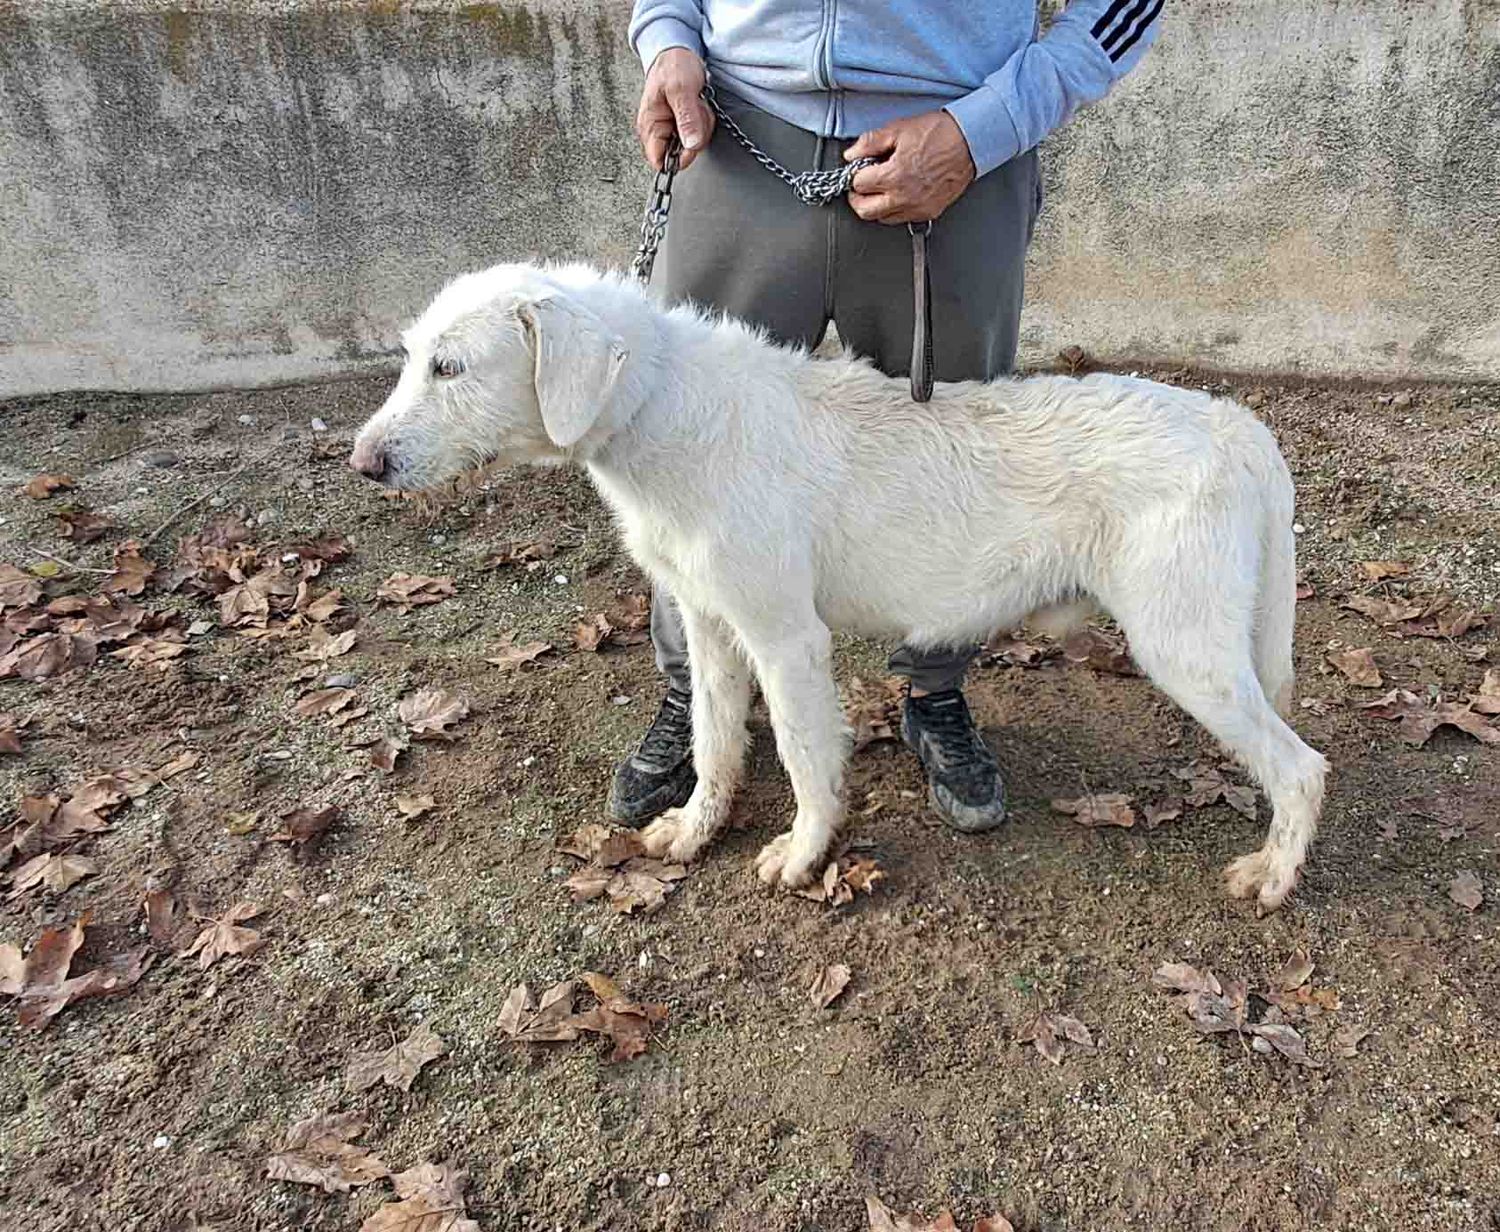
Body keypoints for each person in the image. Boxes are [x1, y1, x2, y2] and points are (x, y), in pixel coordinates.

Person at [612, 0, 1165, 832]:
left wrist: (986, 127)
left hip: (958, 142)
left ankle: (934, 689)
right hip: (738, 131)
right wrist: (669, 37)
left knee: (949, 457)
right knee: (689, 454)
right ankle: (698, 689)